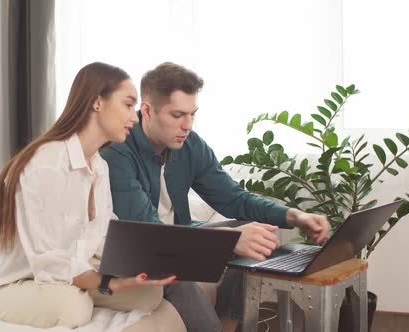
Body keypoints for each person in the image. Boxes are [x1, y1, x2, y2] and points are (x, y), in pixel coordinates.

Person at [100, 62, 330, 332]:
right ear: (147, 110)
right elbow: (150, 237)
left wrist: (293, 216)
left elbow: (233, 198)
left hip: (180, 237)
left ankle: (228, 325)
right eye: (177, 115)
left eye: (192, 115)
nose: (186, 125)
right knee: (177, 275)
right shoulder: (118, 152)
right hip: (142, 251)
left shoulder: (189, 144)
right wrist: (228, 242)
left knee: (254, 233)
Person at [0, 62, 176, 329]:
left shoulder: (99, 166)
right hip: (7, 283)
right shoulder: (46, 163)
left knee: (148, 294)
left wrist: (146, 260)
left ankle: (76, 287)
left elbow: (102, 236)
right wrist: (106, 282)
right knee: (75, 308)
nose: (135, 117)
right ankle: (73, 291)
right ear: (97, 102)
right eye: (127, 104)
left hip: (54, 273)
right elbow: (49, 258)